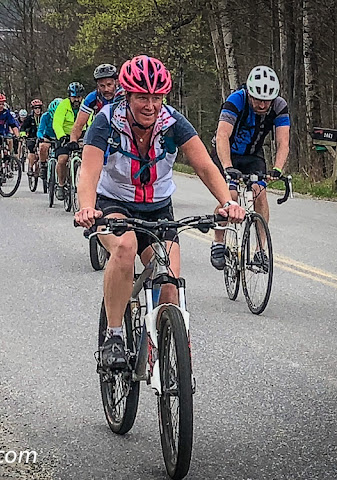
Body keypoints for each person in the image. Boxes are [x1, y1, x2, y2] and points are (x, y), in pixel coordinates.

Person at [74, 55, 245, 368]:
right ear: (127, 95)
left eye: (156, 97)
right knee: (124, 247)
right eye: (142, 97)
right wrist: (87, 207)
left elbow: (205, 166)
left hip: (158, 209)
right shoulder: (106, 121)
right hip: (115, 204)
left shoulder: (173, 122)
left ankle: (165, 352)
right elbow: (88, 171)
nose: (150, 105)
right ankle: (113, 335)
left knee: (169, 283)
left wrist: (227, 201)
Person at [209, 65, 290, 270]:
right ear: (249, 93)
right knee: (231, 196)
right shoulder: (236, 99)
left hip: (253, 156)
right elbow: (222, 136)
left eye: (267, 100)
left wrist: (277, 169)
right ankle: (218, 243)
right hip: (226, 152)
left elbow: (283, 143)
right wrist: (227, 167)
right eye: (257, 99)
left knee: (259, 194)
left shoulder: (279, 106)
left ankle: (259, 251)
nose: (262, 105)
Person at [70, 63, 124, 145]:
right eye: (102, 86)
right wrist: (73, 141)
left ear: (116, 82)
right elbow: (79, 124)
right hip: (100, 131)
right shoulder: (92, 97)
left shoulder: (124, 95)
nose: (106, 89)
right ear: (97, 85)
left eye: (109, 84)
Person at [53, 82, 85, 200]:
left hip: (81, 134)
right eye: (74, 97)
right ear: (69, 97)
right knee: (62, 159)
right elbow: (57, 123)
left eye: (78, 97)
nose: (76, 100)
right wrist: (61, 136)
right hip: (65, 135)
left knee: (87, 158)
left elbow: (91, 121)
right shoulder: (63, 106)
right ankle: (61, 185)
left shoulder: (86, 105)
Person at [37, 98, 60, 178]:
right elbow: (40, 130)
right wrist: (41, 137)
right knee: (43, 147)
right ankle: (43, 165)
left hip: (60, 136)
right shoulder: (45, 116)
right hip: (48, 137)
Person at [20, 99, 43, 177]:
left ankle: (42, 167)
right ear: (33, 109)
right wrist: (23, 135)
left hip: (42, 138)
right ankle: (30, 167)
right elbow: (23, 127)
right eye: (36, 108)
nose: (37, 110)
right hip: (31, 137)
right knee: (32, 151)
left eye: (39, 108)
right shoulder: (29, 118)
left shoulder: (43, 117)